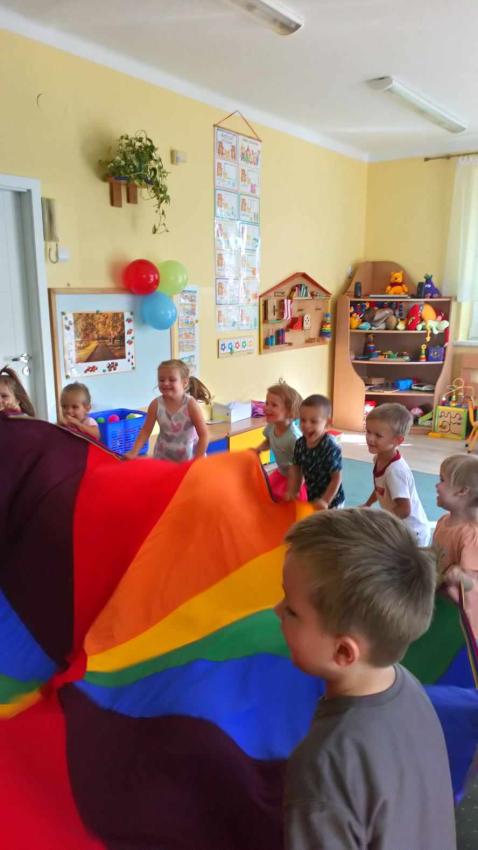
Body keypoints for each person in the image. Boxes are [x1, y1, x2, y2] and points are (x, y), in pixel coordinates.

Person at [277, 508, 456, 850]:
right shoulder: (406, 685)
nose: (277, 610)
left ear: (344, 652)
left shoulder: (324, 764)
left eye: (292, 610)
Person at [363, 402, 430, 544]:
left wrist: (380, 521)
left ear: (397, 440)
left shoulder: (395, 471)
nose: (370, 438)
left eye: (378, 435)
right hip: (399, 527)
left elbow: (404, 509)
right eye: (368, 431)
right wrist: (368, 504)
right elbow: (380, 488)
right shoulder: (379, 458)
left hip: (413, 533)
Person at [125, 359, 209, 461]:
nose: (165, 383)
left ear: (185, 382)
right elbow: (145, 431)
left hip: (189, 459)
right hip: (163, 457)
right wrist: (134, 452)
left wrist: (198, 459)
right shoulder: (156, 405)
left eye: (172, 380)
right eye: (161, 380)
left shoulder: (191, 405)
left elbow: (204, 435)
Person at [434, 453, 478, 638]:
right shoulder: (443, 521)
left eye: (442, 480)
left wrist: (460, 577)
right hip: (440, 600)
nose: (436, 485)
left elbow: (472, 585)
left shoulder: (471, 535)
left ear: (462, 491)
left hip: (460, 617)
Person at [287, 394, 344, 509]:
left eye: (313, 421)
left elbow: (336, 478)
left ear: (327, 423)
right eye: (303, 420)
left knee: (330, 521)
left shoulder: (330, 447)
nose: (306, 425)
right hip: (313, 497)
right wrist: (293, 490)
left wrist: (325, 501)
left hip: (332, 501)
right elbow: (296, 468)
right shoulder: (300, 444)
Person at [254, 380, 307, 501]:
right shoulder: (272, 426)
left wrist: (295, 489)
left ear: (289, 412)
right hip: (282, 473)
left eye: (274, 405)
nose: (267, 408)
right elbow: (268, 440)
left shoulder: (294, 438)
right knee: (270, 494)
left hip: (296, 478)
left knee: (291, 504)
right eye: (267, 403)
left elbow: (304, 466)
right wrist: (258, 449)